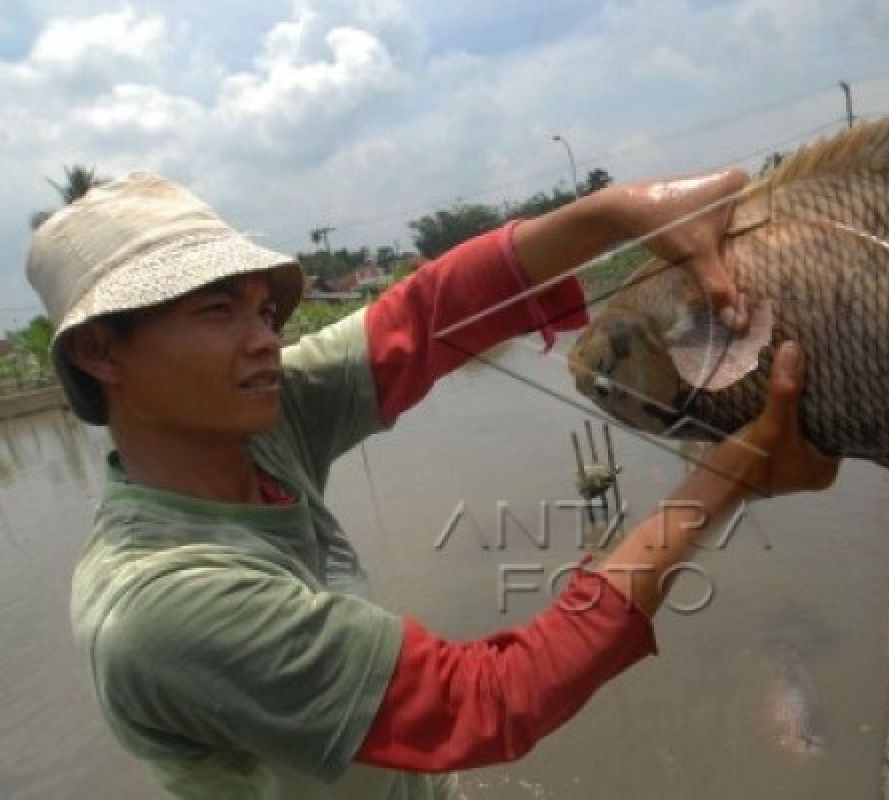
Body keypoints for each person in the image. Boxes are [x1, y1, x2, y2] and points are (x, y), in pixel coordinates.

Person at [27, 171, 840, 799]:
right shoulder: (162, 608)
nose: (264, 342)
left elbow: (420, 320)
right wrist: (727, 474)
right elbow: (490, 699)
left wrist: (618, 212)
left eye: (265, 315)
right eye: (216, 313)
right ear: (102, 352)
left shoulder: (252, 427)